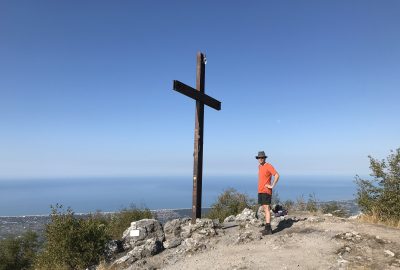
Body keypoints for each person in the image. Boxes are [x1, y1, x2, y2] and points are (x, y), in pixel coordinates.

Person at [255, 151, 280, 235]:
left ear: (265, 158)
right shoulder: (259, 166)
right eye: (259, 158)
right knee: (264, 208)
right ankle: (267, 228)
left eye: (262, 158)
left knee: (267, 209)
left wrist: (272, 185)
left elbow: (277, 175)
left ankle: (268, 229)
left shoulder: (268, 166)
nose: (260, 159)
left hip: (266, 191)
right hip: (261, 190)